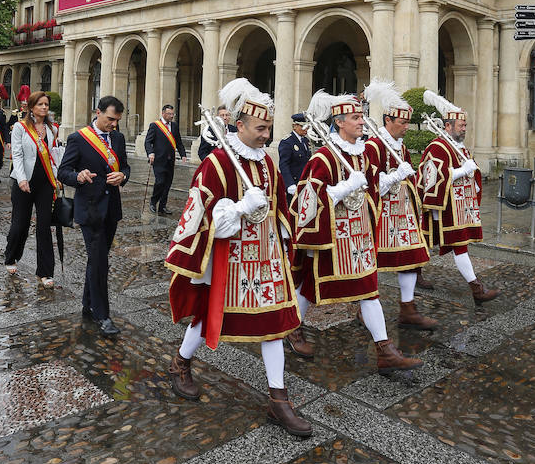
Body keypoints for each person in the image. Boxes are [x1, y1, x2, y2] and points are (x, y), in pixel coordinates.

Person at [166, 78, 311, 438]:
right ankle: (181, 363)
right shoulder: (216, 164)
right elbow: (201, 217)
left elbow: (278, 209)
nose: (266, 136)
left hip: (265, 258)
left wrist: (283, 238)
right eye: (260, 128)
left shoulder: (266, 163)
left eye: (269, 129)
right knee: (207, 317)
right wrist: (239, 209)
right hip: (228, 259)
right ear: (240, 125)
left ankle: (279, 399)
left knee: (275, 325)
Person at [289, 91, 422, 374]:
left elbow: (376, 192)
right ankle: (293, 329)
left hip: (359, 237)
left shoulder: (364, 155)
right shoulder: (324, 157)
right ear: (339, 122)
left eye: (362, 116)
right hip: (331, 236)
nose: (363, 121)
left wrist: (393, 178)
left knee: (368, 289)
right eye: (356, 117)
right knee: (311, 285)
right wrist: (344, 187)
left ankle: (384, 350)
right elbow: (308, 198)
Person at [364, 81, 436, 330]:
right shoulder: (373, 146)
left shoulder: (401, 146)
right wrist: (396, 175)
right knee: (370, 262)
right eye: (403, 123)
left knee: (411, 256)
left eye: (407, 123)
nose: (407, 127)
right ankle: (364, 308)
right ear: (388, 120)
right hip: (380, 214)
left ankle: (408, 308)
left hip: (403, 213)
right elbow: (369, 184)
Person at [418, 90, 501, 305]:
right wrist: (463, 171)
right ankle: (477, 289)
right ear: (448, 126)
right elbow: (432, 177)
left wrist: (473, 178)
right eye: (461, 126)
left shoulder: (460, 147)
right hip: (445, 206)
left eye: (465, 126)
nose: (465, 129)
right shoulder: (437, 147)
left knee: (431, 241)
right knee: (453, 244)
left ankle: (414, 273)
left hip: (461, 206)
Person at [58, 95, 130, 336]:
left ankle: (87, 303)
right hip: (89, 209)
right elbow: (63, 172)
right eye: (110, 119)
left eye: (117, 120)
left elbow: (125, 166)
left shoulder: (118, 139)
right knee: (100, 262)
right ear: (97, 112)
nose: (114, 124)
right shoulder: (78, 138)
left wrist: (123, 176)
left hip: (111, 209)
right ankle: (103, 315)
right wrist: (77, 177)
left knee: (97, 259)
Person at [5, 91, 60, 286]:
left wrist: (57, 177)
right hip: (24, 182)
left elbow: (54, 155)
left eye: (46, 104)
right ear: (31, 107)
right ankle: (11, 256)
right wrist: (21, 179)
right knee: (20, 224)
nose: (44, 107)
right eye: (40, 104)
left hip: (45, 183)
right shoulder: (20, 127)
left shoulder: (52, 129)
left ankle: (44, 271)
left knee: (44, 226)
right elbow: (17, 155)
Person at [145, 103, 187, 215]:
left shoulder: (174, 126)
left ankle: (162, 206)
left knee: (167, 184)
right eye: (169, 114)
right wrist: (150, 153)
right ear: (163, 113)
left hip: (170, 160)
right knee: (160, 182)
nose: (171, 116)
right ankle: (153, 202)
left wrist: (183, 154)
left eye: (173, 114)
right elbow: (148, 141)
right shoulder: (155, 125)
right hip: (158, 159)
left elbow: (178, 141)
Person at [278, 113, 312, 204]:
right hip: (294, 184)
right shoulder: (287, 142)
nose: (306, 130)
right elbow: (284, 164)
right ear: (294, 126)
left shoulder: (305, 141)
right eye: (303, 127)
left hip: (305, 183)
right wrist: (289, 184)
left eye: (307, 127)